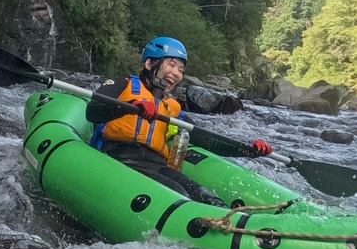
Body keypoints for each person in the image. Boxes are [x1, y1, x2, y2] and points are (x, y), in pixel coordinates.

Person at [85, 36, 273, 204]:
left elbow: (205, 138)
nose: (176, 73)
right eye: (171, 65)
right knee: (179, 193)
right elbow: (92, 111)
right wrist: (130, 106)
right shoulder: (123, 84)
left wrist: (246, 149)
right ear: (149, 64)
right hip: (119, 158)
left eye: (181, 69)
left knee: (206, 196)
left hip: (156, 165)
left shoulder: (173, 107)